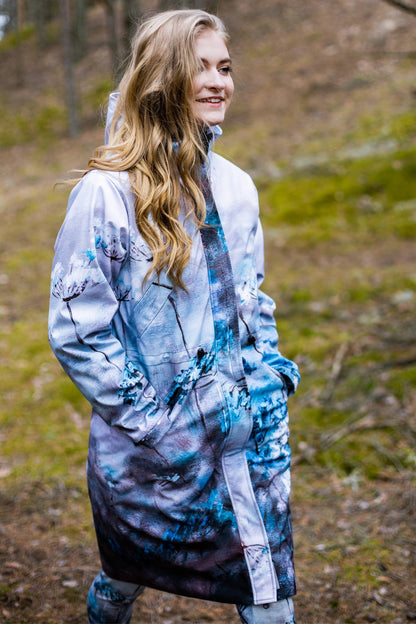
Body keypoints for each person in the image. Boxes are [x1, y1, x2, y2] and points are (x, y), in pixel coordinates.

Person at [48, 9, 300, 624]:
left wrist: (271, 375)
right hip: (149, 455)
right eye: (199, 67)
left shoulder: (237, 188)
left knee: (269, 593)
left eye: (225, 67)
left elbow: (251, 297)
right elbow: (79, 330)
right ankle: (109, 603)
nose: (218, 81)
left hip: (246, 440)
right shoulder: (108, 193)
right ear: (163, 77)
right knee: (126, 573)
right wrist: (158, 428)